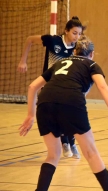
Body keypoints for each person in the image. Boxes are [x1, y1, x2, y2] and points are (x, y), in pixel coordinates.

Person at [18, 36, 108, 191]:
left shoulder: (59, 63)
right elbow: (102, 87)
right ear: (92, 54)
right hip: (71, 100)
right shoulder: (91, 64)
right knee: (91, 153)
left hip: (45, 102)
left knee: (53, 155)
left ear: (74, 51)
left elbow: (32, 86)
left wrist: (30, 115)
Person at [17, 16, 84, 159]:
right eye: (74, 33)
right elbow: (29, 39)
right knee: (54, 116)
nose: (77, 37)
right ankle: (65, 142)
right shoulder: (53, 41)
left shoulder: (76, 48)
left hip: (66, 88)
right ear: (66, 31)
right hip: (49, 86)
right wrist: (23, 60)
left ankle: (70, 142)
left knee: (70, 113)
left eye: (79, 34)